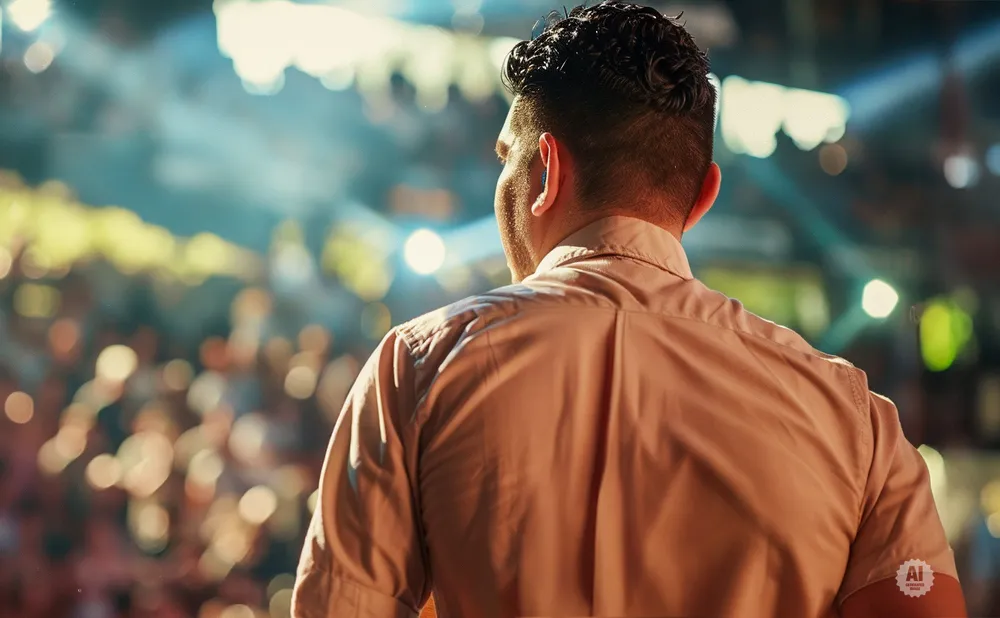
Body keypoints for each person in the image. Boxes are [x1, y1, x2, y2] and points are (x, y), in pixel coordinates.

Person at [291, 3, 967, 617]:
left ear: (545, 172)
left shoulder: (419, 367)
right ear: (703, 196)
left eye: (507, 156)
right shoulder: (854, 421)